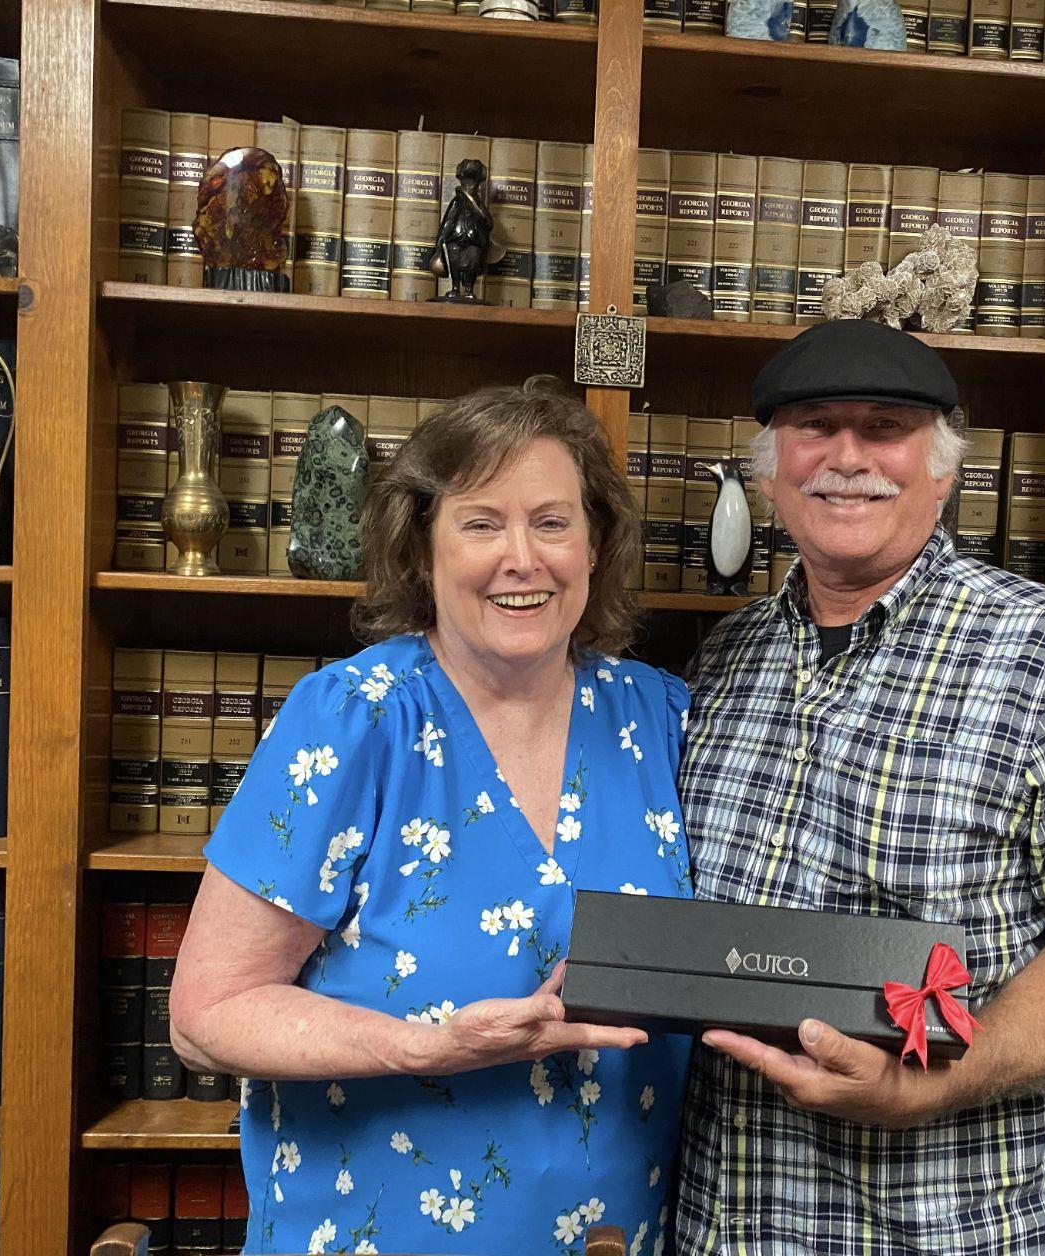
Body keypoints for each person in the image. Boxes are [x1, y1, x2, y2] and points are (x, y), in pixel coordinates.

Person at [675, 318, 1045, 1254]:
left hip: (947, 1225)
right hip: (728, 1221)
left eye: (885, 428)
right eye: (815, 426)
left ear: (942, 469)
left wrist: (932, 1085)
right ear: (770, 470)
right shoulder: (723, 660)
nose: (847, 458)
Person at [170, 378, 691, 1255]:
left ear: (596, 543)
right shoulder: (352, 719)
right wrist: (428, 1046)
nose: (521, 558)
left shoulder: (661, 718)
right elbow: (204, 1015)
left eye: (552, 522)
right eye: (481, 523)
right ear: (421, 548)